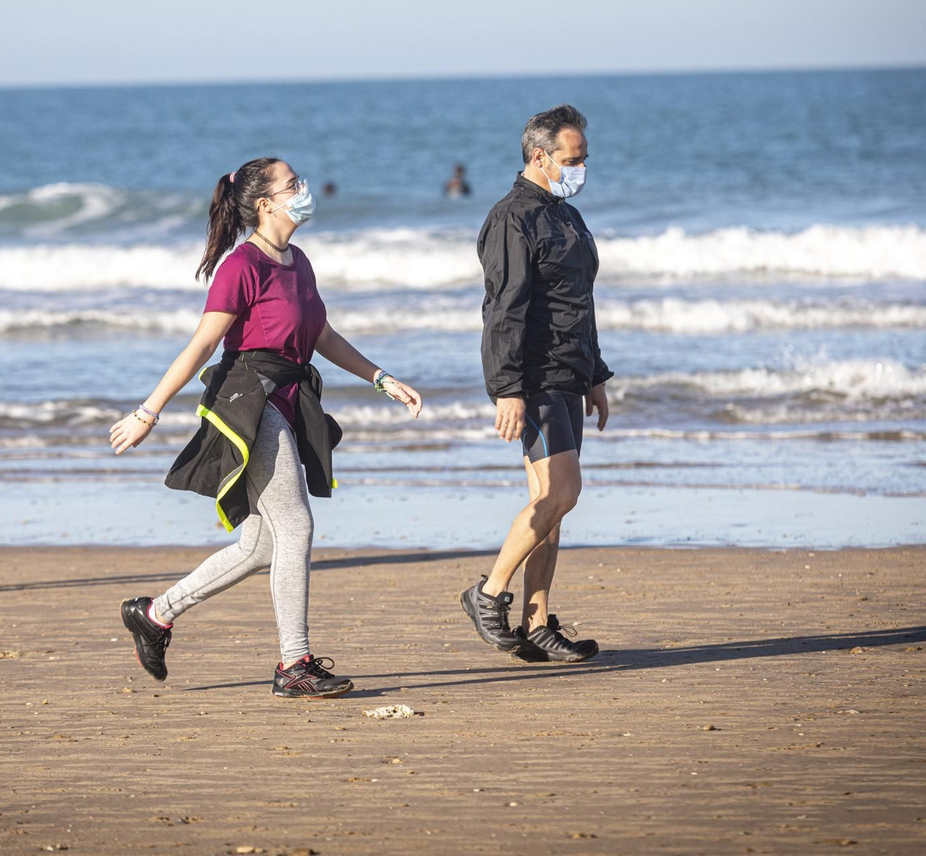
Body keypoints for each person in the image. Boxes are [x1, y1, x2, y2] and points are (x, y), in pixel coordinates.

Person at [111, 157, 423, 698]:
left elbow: (320, 334)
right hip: (250, 400)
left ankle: (155, 614)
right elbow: (203, 344)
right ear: (265, 204)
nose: (303, 190)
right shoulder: (241, 266)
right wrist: (147, 412)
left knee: (260, 546)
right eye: (292, 184)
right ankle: (293, 664)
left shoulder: (299, 261)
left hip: (290, 395)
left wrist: (380, 377)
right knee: (295, 527)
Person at [461, 104, 609, 664]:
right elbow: (503, 310)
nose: (581, 168)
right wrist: (507, 390)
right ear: (540, 156)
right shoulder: (511, 218)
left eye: (585, 158)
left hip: (570, 374)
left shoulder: (566, 215)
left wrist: (595, 375)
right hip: (536, 377)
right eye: (573, 159)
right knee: (560, 494)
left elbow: (579, 302)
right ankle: (488, 593)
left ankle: (538, 621)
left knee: (550, 507)